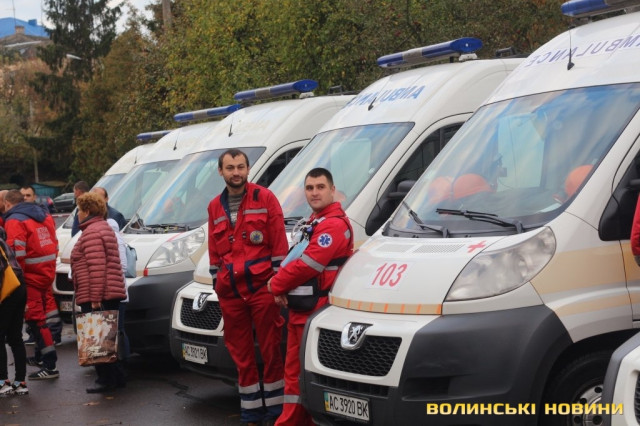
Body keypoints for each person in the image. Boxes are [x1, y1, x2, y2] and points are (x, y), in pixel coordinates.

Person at [267, 168, 354, 425]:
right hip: (302, 310)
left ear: (332, 190)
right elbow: (295, 259)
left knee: (301, 375)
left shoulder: (333, 226)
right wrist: (282, 287)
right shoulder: (315, 221)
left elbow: (308, 265)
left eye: (320, 187)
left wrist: (276, 284)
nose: (314, 193)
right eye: (309, 188)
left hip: (315, 311)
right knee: (295, 373)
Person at [207, 148, 287, 426]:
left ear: (248, 169)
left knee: (271, 349)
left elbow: (279, 244)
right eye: (230, 168)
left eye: (240, 167)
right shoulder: (214, 206)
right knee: (241, 354)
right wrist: (218, 282)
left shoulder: (265, 198)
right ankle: (251, 412)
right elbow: (214, 251)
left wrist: (278, 283)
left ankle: (276, 412)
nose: (236, 173)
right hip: (230, 292)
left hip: (262, 288)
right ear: (221, 171)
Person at [71, 192, 127, 393]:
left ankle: (106, 380)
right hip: (107, 292)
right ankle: (116, 377)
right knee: (107, 338)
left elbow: (96, 268)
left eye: (79, 210)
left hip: (98, 294)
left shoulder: (92, 232)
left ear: (87, 211)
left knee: (98, 339)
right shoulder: (102, 228)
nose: (78, 214)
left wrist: (95, 299)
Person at [3, 189, 59, 380]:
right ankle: (40, 357)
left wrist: (16, 283)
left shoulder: (15, 221)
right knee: (44, 317)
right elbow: (54, 244)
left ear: (7, 203)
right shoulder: (44, 215)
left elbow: (15, 256)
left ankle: (50, 365)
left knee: (36, 321)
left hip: (29, 278)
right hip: (46, 273)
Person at [19, 185, 63, 346]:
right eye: (23, 195)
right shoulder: (40, 216)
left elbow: (52, 242)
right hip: (43, 269)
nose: (25, 198)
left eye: (28, 195)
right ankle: (45, 335)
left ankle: (50, 335)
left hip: (39, 271)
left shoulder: (35, 217)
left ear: (34, 197)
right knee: (41, 306)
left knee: (41, 306)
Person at [0, 235, 28, 396]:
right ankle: (20, 382)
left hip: (6, 291)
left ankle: (3, 381)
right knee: (15, 336)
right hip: (19, 286)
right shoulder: (1, 237)